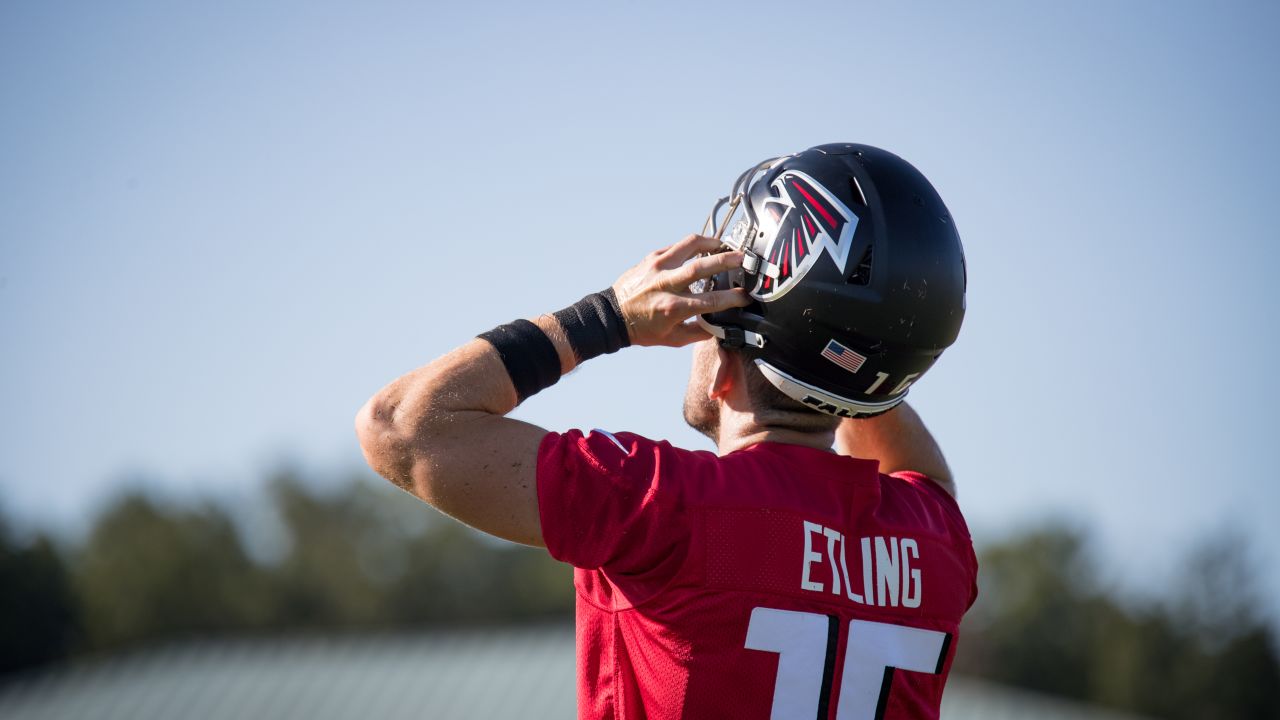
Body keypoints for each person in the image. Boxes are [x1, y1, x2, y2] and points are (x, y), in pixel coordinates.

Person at [356, 143, 975, 719]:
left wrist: (610, 315)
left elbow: (400, 426)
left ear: (727, 351)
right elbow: (918, 471)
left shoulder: (659, 504)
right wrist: (854, 346)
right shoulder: (935, 544)